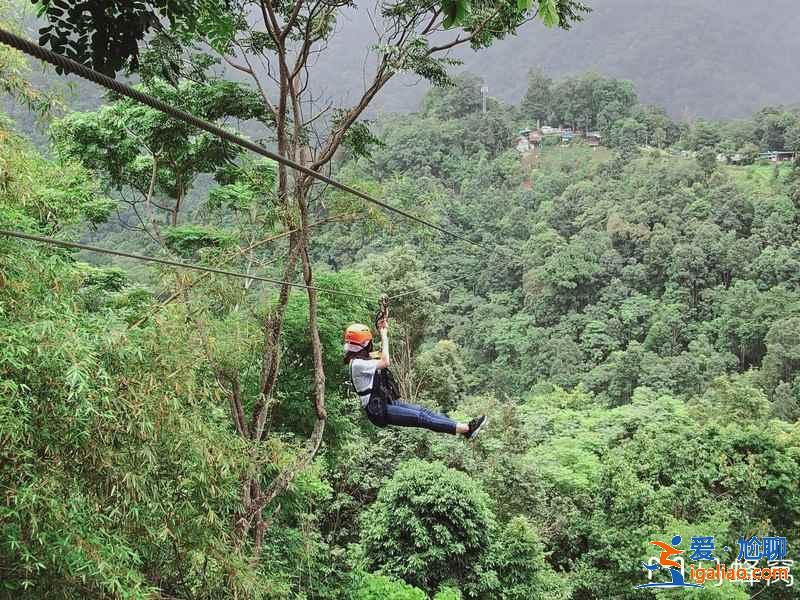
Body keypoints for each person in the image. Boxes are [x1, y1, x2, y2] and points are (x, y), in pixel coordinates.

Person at [344, 319, 487, 439]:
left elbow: (381, 353)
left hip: (385, 402)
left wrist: (383, 328)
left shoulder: (362, 359)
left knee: (424, 412)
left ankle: (464, 428)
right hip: (378, 410)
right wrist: (384, 335)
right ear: (364, 345)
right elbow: (385, 361)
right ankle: (467, 429)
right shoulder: (357, 364)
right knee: (420, 418)